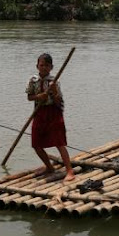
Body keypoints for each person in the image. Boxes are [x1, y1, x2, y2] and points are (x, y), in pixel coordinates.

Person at [25, 53, 75, 182]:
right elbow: (29, 97)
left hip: (53, 112)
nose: (44, 68)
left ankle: (69, 171)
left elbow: (58, 101)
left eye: (47, 66)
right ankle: (49, 167)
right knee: (36, 143)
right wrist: (39, 97)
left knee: (59, 142)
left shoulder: (54, 81)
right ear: (37, 66)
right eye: (42, 65)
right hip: (39, 112)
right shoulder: (33, 80)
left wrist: (53, 91)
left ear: (51, 67)